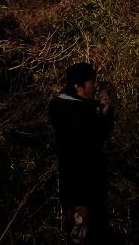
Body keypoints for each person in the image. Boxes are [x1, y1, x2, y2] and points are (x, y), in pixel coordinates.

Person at [49, 62, 114, 244]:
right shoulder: (73, 117)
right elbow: (76, 159)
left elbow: (96, 137)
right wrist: (81, 199)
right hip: (82, 200)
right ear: (78, 86)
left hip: (88, 195)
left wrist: (105, 113)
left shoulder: (81, 109)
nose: (95, 86)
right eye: (91, 81)